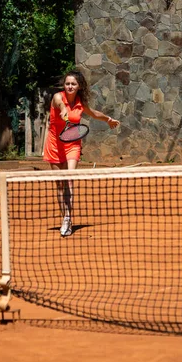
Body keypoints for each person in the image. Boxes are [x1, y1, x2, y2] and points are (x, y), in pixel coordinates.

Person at [43, 70, 120, 237]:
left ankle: (68, 218)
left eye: (73, 84)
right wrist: (63, 108)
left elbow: (93, 113)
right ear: (64, 85)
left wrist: (107, 119)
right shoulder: (58, 97)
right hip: (54, 144)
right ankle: (63, 215)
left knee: (69, 179)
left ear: (79, 86)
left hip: (72, 144)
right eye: (67, 83)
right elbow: (58, 102)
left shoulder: (79, 102)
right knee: (59, 184)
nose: (70, 86)